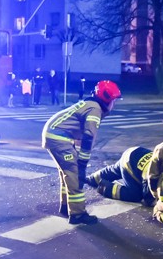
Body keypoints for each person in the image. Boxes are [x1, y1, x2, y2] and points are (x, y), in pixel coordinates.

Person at [42, 80, 122, 225]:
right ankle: (77, 214)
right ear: (106, 99)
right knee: (74, 174)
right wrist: (83, 164)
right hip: (59, 138)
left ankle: (66, 207)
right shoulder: (95, 109)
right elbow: (88, 137)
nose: (114, 105)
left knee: (67, 172)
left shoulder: (91, 105)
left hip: (56, 135)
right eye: (113, 101)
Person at [87, 146, 154, 206]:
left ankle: (91, 179)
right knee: (135, 195)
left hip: (137, 152)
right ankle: (105, 187)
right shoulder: (153, 177)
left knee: (113, 171)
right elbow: (148, 199)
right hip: (130, 162)